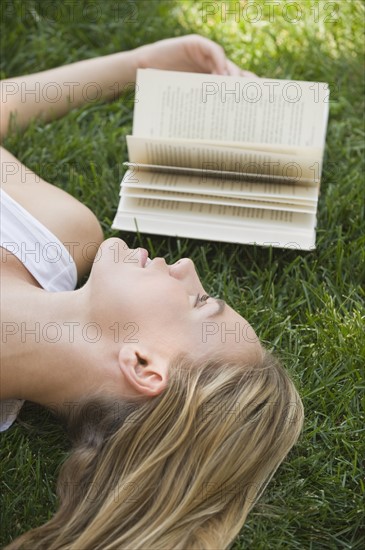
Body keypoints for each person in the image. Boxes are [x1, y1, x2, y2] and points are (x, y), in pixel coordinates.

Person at [1, 35, 303, 550]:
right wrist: (146, 63)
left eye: (198, 301)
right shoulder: (58, 235)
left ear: (143, 364)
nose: (186, 267)